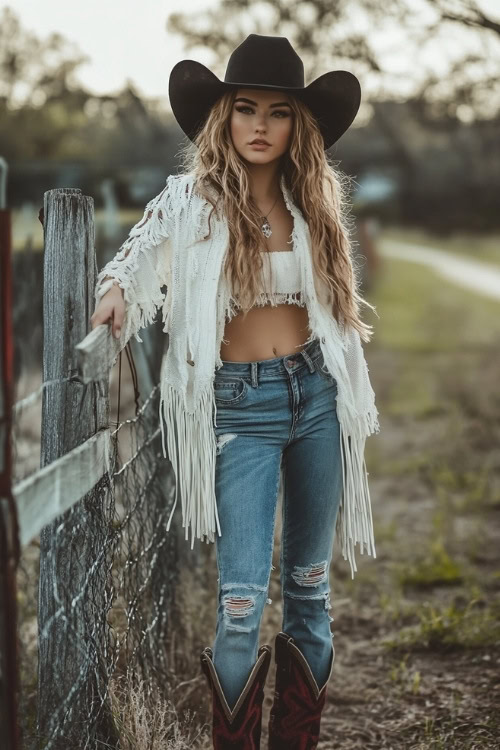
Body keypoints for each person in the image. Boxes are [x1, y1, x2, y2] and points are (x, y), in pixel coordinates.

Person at [91, 33, 380, 750]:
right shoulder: (191, 201)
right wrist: (114, 292)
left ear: (297, 126)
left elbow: (335, 312)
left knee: (309, 591)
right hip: (239, 408)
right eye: (244, 108)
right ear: (223, 118)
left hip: (317, 398)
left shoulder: (313, 202)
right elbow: (138, 256)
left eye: (277, 112)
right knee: (243, 603)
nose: (259, 125)